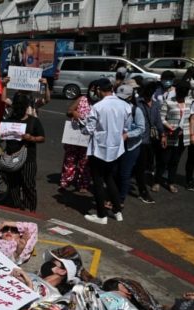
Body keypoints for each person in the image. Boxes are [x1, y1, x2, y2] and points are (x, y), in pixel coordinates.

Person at [83, 78, 129, 225]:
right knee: (110, 179)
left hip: (99, 149)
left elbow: (88, 129)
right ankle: (117, 211)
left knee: (98, 181)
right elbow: (126, 127)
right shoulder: (125, 105)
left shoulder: (98, 107)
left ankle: (102, 215)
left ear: (99, 90)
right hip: (116, 149)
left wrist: (82, 126)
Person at [2, 93, 45, 212]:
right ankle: (17, 206)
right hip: (11, 158)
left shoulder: (34, 121)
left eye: (21, 106)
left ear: (26, 107)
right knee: (13, 185)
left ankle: (30, 210)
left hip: (28, 159)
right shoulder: (9, 120)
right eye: (17, 106)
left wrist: (31, 138)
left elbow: (42, 137)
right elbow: (0, 137)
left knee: (28, 185)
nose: (19, 109)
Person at [59, 80, 98, 193]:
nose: (93, 92)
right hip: (75, 136)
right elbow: (69, 111)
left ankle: (83, 184)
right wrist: (73, 113)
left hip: (89, 139)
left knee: (85, 162)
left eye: (96, 90)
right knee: (70, 159)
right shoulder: (82, 99)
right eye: (92, 90)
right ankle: (65, 181)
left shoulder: (100, 104)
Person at [155, 81, 193, 194]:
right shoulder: (168, 102)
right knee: (164, 159)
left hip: (182, 137)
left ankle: (171, 182)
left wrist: (191, 134)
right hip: (170, 135)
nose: (182, 95)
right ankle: (157, 181)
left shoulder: (190, 102)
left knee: (175, 161)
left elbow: (191, 118)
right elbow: (161, 119)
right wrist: (169, 127)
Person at [134, 82, 165, 203]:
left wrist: (162, 134)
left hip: (151, 139)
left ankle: (145, 183)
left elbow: (158, 121)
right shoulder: (137, 103)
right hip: (138, 139)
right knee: (140, 166)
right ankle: (143, 191)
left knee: (148, 164)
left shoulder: (156, 104)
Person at [116, 83, 145, 205]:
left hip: (131, 146)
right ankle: (113, 194)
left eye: (123, 98)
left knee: (124, 173)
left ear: (130, 97)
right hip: (116, 145)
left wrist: (127, 135)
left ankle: (120, 199)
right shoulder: (115, 108)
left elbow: (141, 128)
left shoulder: (136, 110)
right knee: (114, 172)